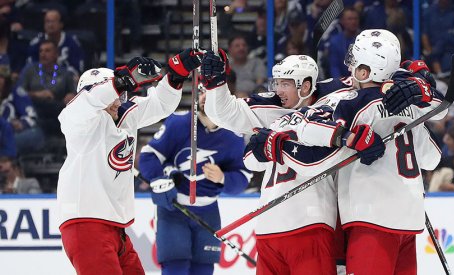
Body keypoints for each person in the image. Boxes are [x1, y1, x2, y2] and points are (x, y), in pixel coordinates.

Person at [246, 30, 445, 275]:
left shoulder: (352, 102)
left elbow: (312, 137)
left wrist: (283, 145)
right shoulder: (413, 107)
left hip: (369, 217)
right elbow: (432, 158)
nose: (349, 70)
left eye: (354, 64)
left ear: (364, 71)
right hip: (409, 219)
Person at [200, 48, 386, 274]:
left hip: (307, 221)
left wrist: (275, 145)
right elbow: (233, 129)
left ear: (305, 86)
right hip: (286, 222)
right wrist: (216, 84)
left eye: (285, 84)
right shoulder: (277, 110)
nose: (278, 90)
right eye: (276, 83)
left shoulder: (328, 106)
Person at [56, 48, 203, 275]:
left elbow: (160, 105)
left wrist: (175, 74)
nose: (117, 102)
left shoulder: (125, 114)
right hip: (86, 224)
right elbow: (90, 100)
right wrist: (125, 79)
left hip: (116, 229)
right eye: (113, 94)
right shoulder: (77, 121)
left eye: (120, 96)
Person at [138, 87, 251, 275]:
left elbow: (242, 178)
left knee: (203, 269)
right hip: (174, 210)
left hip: (208, 212)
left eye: (211, 93)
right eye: (201, 92)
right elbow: (148, 156)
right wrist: (161, 178)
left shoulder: (234, 135)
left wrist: (223, 177)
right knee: (176, 268)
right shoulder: (179, 123)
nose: (205, 97)